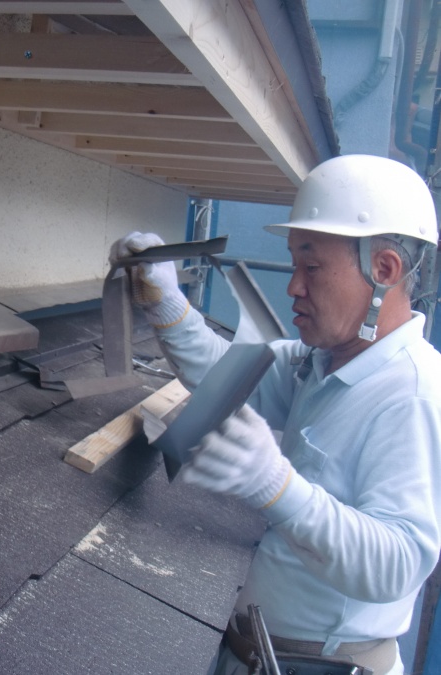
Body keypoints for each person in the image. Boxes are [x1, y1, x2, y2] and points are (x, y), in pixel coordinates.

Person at [113, 154, 441, 675]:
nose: (294, 286)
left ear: (383, 270)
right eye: (294, 265)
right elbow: (226, 375)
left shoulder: (412, 394)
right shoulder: (322, 361)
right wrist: (166, 301)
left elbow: (398, 563)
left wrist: (278, 486)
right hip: (257, 655)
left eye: (312, 267)